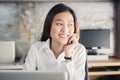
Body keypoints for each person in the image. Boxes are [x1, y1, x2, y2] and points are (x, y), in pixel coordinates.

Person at [23, 3, 87, 80]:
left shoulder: (79, 50)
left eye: (70, 24)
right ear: (49, 26)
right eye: (59, 24)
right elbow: (25, 77)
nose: (65, 30)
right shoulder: (36, 48)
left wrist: (68, 55)